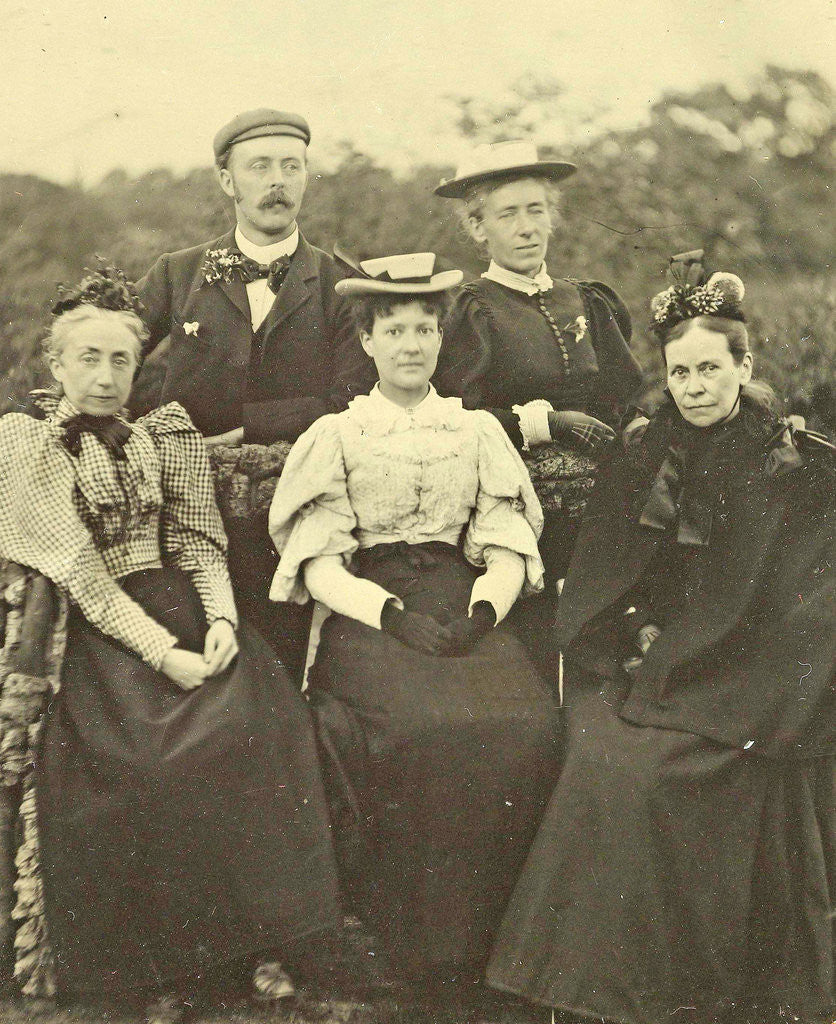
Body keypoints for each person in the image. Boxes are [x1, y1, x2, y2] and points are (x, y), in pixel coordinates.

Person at [486, 251, 836, 1023]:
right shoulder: (647, 451)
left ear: (745, 366)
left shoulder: (795, 464)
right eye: (681, 374)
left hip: (749, 674)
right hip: (651, 664)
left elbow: (806, 601)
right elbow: (611, 571)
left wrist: (703, 652)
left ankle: (686, 983)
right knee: (606, 763)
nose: (696, 388)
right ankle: (588, 987)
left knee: (662, 772)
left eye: (711, 369)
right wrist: (639, 632)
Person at [0, 266, 341, 1023]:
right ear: (56, 364)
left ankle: (257, 942)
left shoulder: (165, 431)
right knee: (143, 760)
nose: (104, 375)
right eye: (86, 358)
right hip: (102, 630)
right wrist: (162, 652)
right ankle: (156, 956)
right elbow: (81, 571)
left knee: (261, 725)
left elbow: (195, 539)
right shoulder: (29, 442)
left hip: (185, 606)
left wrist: (220, 621)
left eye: (119, 359)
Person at [268, 252, 560, 979]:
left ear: (440, 339)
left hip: (463, 604)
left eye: (424, 330)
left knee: (526, 722)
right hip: (370, 614)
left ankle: (500, 949)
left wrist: (485, 611)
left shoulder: (474, 433)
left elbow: (506, 541)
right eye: (393, 330)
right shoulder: (338, 435)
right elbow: (319, 563)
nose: (410, 345)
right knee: (418, 727)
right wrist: (390, 614)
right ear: (366, 341)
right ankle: (416, 947)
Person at [129, 108, 375, 678]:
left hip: (292, 504)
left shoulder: (341, 282)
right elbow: (109, 351)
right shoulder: (178, 273)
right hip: (184, 505)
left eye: (292, 166)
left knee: (280, 664)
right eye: (259, 166)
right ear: (227, 180)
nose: (277, 181)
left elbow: (352, 396)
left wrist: (248, 431)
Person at [433, 140, 644, 674]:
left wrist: (637, 424)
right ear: (479, 229)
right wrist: (546, 424)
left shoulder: (587, 300)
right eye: (508, 215)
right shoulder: (471, 309)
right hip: (517, 486)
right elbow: (453, 416)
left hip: (606, 480)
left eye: (536, 211)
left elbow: (626, 393)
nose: (527, 228)